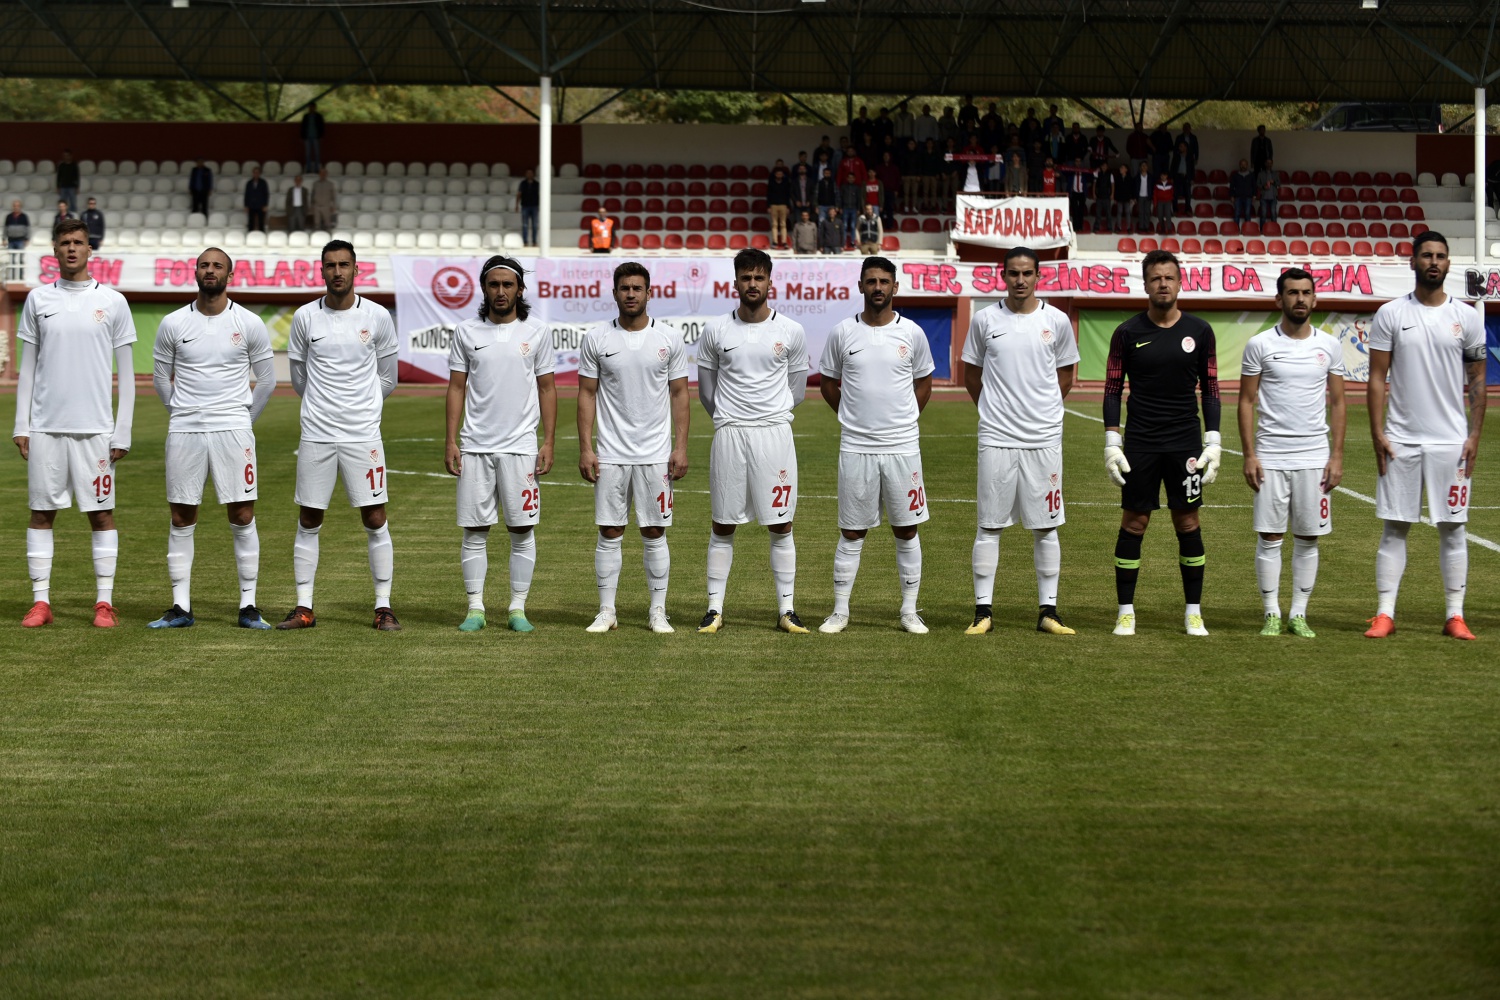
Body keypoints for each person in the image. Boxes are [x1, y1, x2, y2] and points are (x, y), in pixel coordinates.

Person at [14, 219, 136, 629]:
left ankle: (104, 602)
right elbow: (27, 369)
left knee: (101, 515)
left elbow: (126, 373)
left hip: (96, 430)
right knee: (41, 513)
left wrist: (122, 431)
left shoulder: (114, 302)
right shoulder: (37, 299)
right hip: (46, 427)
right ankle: (41, 601)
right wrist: (22, 425)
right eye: (64, 242)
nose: (71, 249)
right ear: (54, 249)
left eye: (78, 242)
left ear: (89, 250)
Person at [1364, 231, 1487, 640]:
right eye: (1427, 255)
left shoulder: (1468, 317)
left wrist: (1473, 436)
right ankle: (1385, 614)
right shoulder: (1391, 314)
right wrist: (1378, 431)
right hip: (1400, 440)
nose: (1434, 261)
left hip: (1450, 442)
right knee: (1395, 527)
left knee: (1453, 528)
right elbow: (1377, 377)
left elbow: (1478, 382)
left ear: (1449, 264)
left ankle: (1455, 615)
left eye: (1440, 256)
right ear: (1413, 261)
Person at [148, 247, 277, 631]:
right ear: (195, 272)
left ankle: (249, 605)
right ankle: (180, 607)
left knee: (242, 514)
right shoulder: (173, 323)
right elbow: (160, 379)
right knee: (181, 515)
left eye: (217, 265)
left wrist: (241, 419)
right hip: (185, 431)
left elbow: (267, 380)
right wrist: (184, 415)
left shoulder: (249, 322)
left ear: (229, 275)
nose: (210, 270)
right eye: (204, 265)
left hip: (233, 431)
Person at [278, 240, 401, 632]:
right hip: (316, 433)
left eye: (343, 264)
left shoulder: (378, 316)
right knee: (309, 517)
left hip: (362, 434)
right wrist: (324, 407)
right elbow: (300, 378)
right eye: (330, 265)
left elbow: (388, 378)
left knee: (375, 516)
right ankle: (304, 607)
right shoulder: (304, 318)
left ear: (355, 269)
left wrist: (360, 409)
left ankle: (383, 606)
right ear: (322, 270)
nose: (337, 272)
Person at [961, 246, 1080, 637]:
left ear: (1038, 276)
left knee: (1046, 525)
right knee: (989, 524)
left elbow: (1065, 375)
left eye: (1027, 273)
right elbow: (972, 375)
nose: (1020, 280)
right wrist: (997, 412)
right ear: (1003, 275)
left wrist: (1040, 413)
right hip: (996, 436)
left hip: (1043, 438)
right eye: (1013, 273)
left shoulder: (1057, 321)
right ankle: (982, 611)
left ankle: (1049, 611)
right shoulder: (983, 320)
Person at [1103, 249, 1222, 636]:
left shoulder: (1200, 331)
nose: (1163, 284)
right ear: (1146, 284)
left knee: (1187, 522)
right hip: (1140, 443)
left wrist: (1214, 440)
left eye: (1169, 277)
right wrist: (1111, 441)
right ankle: (1126, 612)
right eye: (1156, 278)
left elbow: (1212, 388)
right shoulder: (1127, 333)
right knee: (1134, 523)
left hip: (1185, 443)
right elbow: (1112, 389)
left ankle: (1193, 612)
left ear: (1180, 281)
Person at [694, 248, 810, 635]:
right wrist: (733, 419)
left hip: (774, 435)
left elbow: (797, 391)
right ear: (735, 282)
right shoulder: (715, 331)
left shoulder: (791, 331)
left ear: (770, 281)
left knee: (781, 524)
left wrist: (766, 417)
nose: (752, 284)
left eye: (759, 277)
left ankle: (787, 610)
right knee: (723, 524)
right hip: (730, 435)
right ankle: (714, 609)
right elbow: (706, 393)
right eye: (746, 277)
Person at [445, 256, 557, 634]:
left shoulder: (538, 332)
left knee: (521, 531)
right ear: (484, 289)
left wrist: (549, 441)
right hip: (476, 446)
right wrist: (451, 440)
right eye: (494, 285)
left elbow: (547, 387)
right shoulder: (466, 332)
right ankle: (475, 608)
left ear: (520, 289)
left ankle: (517, 608)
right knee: (475, 532)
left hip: (521, 448)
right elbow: (456, 387)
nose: (501, 291)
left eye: (508, 285)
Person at [575, 262, 689, 634]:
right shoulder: (596, 339)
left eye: (637, 288)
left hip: (655, 454)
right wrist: (586, 448)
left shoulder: (669, 339)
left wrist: (680, 446)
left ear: (648, 293)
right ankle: (607, 611)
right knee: (609, 531)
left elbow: (680, 394)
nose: (631, 294)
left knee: (654, 531)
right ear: (615, 293)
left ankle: (658, 611)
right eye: (624, 288)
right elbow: (586, 394)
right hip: (610, 453)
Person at [1238, 268, 1347, 638]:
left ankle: (1298, 613)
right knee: (1270, 537)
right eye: (1292, 292)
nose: (1299, 299)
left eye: (1305, 293)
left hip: (1315, 458)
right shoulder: (1259, 344)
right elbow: (1246, 401)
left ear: (1315, 299)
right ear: (1279, 299)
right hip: (1271, 456)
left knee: (1308, 537)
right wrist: (1250, 454)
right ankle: (1271, 612)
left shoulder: (1329, 345)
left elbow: (1338, 401)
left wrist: (1337, 456)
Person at [838, 151, 866, 246]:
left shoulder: (857, 187)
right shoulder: (843, 187)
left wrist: (859, 209)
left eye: (852, 178)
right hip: (845, 208)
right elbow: (840, 197)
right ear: (847, 178)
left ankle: (853, 242)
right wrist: (840, 207)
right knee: (845, 226)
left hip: (854, 208)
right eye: (849, 178)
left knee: (853, 226)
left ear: (854, 179)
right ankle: (844, 242)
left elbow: (859, 199)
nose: (850, 179)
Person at [766, 165, 792, 250]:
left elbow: (788, 195)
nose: (779, 175)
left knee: (783, 224)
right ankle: (775, 242)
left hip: (783, 205)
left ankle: (784, 242)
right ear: (775, 175)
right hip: (773, 205)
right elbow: (768, 195)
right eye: (777, 174)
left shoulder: (786, 183)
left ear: (782, 175)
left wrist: (788, 206)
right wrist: (768, 206)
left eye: (780, 174)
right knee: (774, 224)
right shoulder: (772, 183)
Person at [515, 168, 540, 246]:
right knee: (525, 225)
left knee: (534, 225)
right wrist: (516, 204)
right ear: (526, 174)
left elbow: (540, 195)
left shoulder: (537, 184)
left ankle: (534, 241)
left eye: (531, 173)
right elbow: (519, 194)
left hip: (534, 206)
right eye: (528, 173)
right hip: (525, 206)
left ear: (533, 174)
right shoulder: (523, 183)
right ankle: (525, 241)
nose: (529, 175)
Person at [1230, 158, 1256, 227]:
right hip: (1238, 197)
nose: (1243, 166)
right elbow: (1232, 186)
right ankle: (1235, 229)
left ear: (1247, 165)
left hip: (1248, 197)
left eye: (1244, 164)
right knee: (1237, 213)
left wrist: (1254, 195)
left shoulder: (1251, 175)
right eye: (1241, 164)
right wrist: (1232, 196)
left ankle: (1248, 228)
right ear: (1239, 165)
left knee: (1247, 214)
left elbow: (1254, 186)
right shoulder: (1235, 175)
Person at [301, 101, 326, 172]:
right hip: (307, 137)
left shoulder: (319, 116)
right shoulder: (306, 116)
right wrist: (302, 136)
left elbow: (322, 126)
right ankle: (308, 169)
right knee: (307, 154)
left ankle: (317, 169)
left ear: (315, 107)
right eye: (310, 107)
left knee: (317, 154)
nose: (311, 108)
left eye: (312, 107)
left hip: (316, 137)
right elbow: (303, 127)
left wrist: (321, 136)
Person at [243, 166, 269, 233]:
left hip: (260, 206)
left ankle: (262, 235)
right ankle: (250, 236)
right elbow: (246, 195)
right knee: (251, 222)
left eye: (257, 172)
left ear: (259, 173)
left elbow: (266, 194)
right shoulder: (249, 183)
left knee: (261, 223)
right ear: (253, 173)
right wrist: (246, 205)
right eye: (254, 172)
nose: (256, 174)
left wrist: (265, 205)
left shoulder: (263, 183)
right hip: (251, 205)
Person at [1092, 161, 1114, 233]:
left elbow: (1112, 185)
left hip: (1107, 197)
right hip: (1099, 196)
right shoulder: (1097, 174)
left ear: (1107, 167)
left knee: (1108, 214)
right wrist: (1094, 194)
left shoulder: (1110, 175)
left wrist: (1112, 194)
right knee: (1098, 213)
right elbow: (1094, 184)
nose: (1104, 167)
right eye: (1102, 166)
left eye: (1105, 166)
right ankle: (1096, 227)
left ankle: (1110, 228)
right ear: (1101, 167)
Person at [1256, 159, 1280, 226]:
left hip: (1273, 197)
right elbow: (1257, 184)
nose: (1269, 164)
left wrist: (1274, 182)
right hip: (1263, 197)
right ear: (1265, 164)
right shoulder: (1261, 174)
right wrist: (1263, 187)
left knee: (1273, 214)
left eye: (1270, 163)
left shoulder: (1275, 173)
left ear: (1272, 164)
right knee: (1263, 214)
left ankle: (1274, 229)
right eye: (1267, 163)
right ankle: (1262, 230)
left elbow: (1279, 184)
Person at [1112, 162, 1134, 233]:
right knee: (1119, 212)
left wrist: (1132, 197)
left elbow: (1131, 188)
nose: (1120, 169)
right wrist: (1115, 198)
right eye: (1120, 168)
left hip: (1127, 198)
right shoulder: (1117, 178)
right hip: (1119, 198)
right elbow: (1116, 189)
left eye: (1122, 168)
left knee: (1128, 212)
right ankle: (1118, 227)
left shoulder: (1130, 178)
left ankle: (1129, 227)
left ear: (1126, 169)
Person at [56, 149, 79, 214]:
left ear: (70, 156)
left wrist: (77, 187)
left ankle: (74, 214)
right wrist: (58, 187)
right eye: (64, 155)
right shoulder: (61, 165)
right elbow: (58, 177)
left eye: (67, 155)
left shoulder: (74, 165)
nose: (65, 157)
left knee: (73, 202)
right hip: (63, 186)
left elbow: (77, 177)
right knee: (62, 202)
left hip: (72, 186)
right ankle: (62, 215)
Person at [1135, 161, 1153, 232]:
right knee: (1141, 212)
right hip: (1140, 196)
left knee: (1147, 212)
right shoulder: (1137, 177)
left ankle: (1147, 226)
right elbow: (1135, 187)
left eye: (1145, 165)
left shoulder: (1151, 176)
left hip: (1147, 196)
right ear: (1140, 167)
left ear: (1147, 167)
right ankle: (1141, 227)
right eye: (1142, 166)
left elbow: (1152, 187)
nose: (1144, 167)